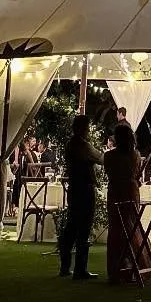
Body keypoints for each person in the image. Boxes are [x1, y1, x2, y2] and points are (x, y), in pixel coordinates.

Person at [103, 120, 150, 282]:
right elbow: (136, 174)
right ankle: (137, 265)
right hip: (130, 190)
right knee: (131, 225)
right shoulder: (135, 155)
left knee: (117, 228)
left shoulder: (109, 155)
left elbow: (108, 171)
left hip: (116, 190)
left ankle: (118, 268)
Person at [57, 113, 100, 279]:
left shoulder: (70, 144)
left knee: (72, 226)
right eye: (87, 128)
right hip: (85, 189)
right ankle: (80, 269)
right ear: (83, 128)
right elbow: (100, 158)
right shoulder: (83, 146)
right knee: (84, 228)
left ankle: (65, 266)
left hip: (74, 188)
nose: (88, 131)